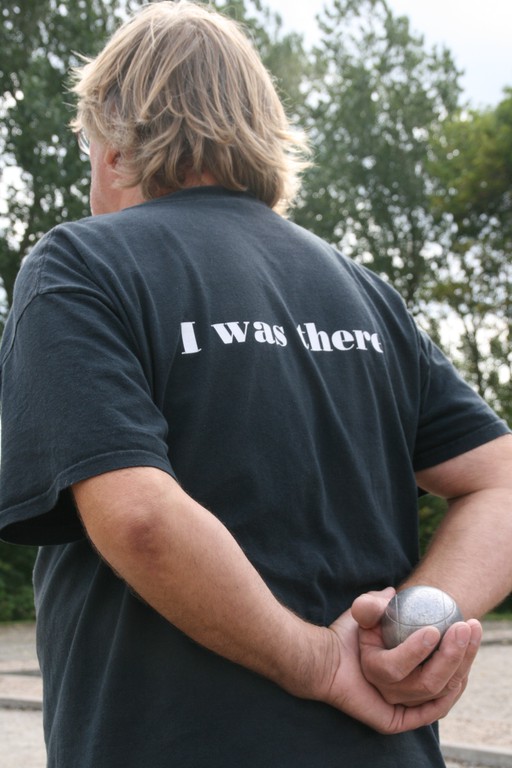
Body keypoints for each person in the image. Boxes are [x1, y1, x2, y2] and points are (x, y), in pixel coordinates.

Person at [0, 2, 511, 766]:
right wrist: (415, 627)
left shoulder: (80, 265)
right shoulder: (364, 293)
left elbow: (138, 516)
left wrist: (321, 663)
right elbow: (502, 479)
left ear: (112, 146)